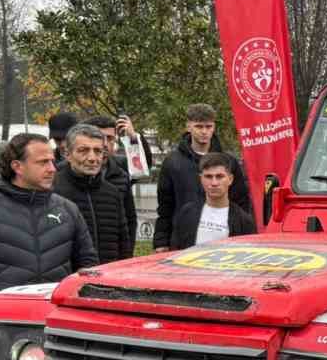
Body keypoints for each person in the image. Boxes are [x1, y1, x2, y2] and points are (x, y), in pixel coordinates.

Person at [0, 133, 96, 316]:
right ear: (17, 166)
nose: (52, 169)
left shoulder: (67, 209)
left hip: (59, 316)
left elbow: (88, 264)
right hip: (5, 318)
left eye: (52, 161)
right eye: (43, 162)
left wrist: (75, 305)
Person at [153, 103, 253, 250]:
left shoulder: (229, 162)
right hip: (184, 237)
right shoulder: (172, 162)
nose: (204, 131)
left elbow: (241, 201)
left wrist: (243, 237)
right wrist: (161, 242)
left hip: (225, 239)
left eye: (208, 126)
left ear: (214, 127)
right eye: (199, 126)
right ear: (189, 127)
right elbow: (165, 206)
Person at [52, 122, 134, 262]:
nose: (92, 158)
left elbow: (124, 244)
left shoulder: (112, 193)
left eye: (98, 151)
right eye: (83, 150)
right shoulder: (52, 192)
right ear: (67, 154)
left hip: (109, 273)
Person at [171, 152, 257, 248]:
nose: (214, 183)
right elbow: (175, 250)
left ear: (230, 179)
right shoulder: (186, 213)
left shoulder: (244, 221)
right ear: (201, 179)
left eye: (219, 176)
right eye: (208, 177)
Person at [84, 114, 140, 245]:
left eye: (110, 138)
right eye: (99, 137)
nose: (105, 144)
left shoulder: (122, 173)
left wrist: (133, 138)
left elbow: (130, 219)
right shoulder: (62, 175)